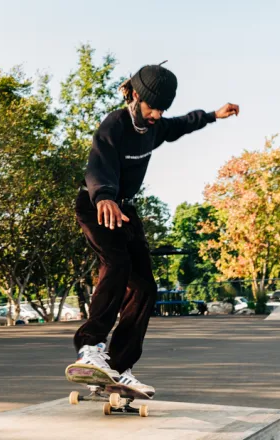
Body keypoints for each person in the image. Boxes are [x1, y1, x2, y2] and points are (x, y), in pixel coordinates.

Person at [70, 63, 240, 396]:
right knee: (117, 264)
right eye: (152, 107)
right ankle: (90, 347)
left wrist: (212, 115)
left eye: (162, 109)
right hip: (96, 206)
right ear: (134, 95)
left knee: (146, 287)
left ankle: (117, 368)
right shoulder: (114, 124)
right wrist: (104, 196)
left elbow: (181, 125)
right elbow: (98, 163)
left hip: (124, 210)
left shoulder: (155, 126)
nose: (157, 115)